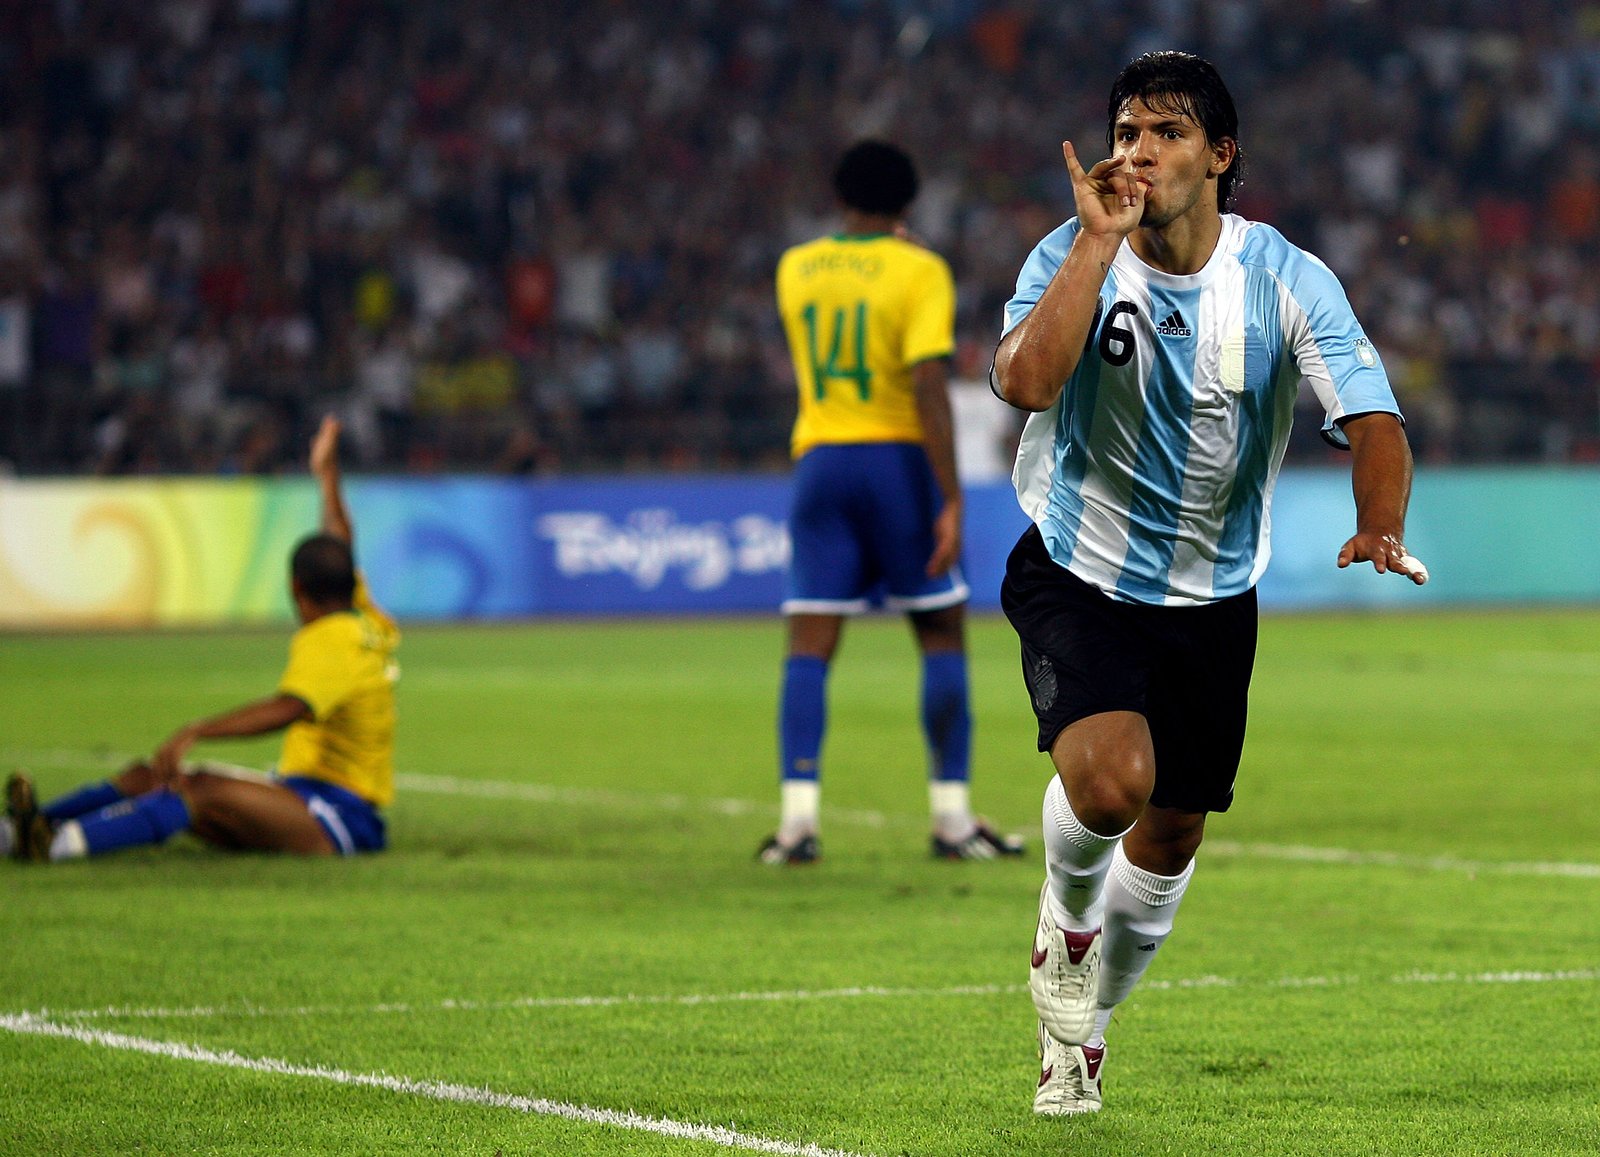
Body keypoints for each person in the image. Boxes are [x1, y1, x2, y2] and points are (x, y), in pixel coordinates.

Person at [989, 52, 1427, 1115]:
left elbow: (1371, 418)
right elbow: (1023, 383)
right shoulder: (1070, 247)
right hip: (1077, 567)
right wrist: (1093, 244)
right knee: (1108, 782)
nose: (1137, 152)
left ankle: (1084, 1028)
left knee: (1172, 833)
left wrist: (1378, 522)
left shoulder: (1285, 278)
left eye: (1166, 134)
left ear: (1220, 156)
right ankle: (1063, 919)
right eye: (1126, 131)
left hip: (1211, 595)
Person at [759, 140, 1023, 864]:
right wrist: (949, 496)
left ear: (840, 195)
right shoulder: (920, 269)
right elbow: (927, 386)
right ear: (908, 202)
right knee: (939, 631)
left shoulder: (796, 267)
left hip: (819, 458)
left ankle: (796, 824)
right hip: (897, 461)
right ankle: (951, 817)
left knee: (809, 645)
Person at [4, 415, 400, 862]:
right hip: (298, 793)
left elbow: (289, 708)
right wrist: (326, 473)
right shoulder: (363, 615)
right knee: (148, 777)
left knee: (200, 788)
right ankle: (23, 829)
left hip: (339, 816)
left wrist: (199, 730)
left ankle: (56, 846)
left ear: (295, 589)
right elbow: (338, 541)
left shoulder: (332, 637)